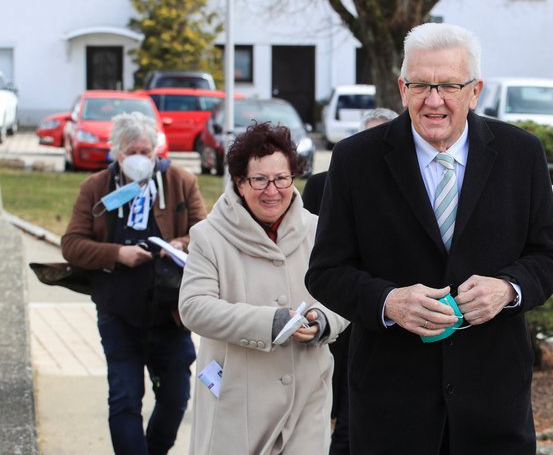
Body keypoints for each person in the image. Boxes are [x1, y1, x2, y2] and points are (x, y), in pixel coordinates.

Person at [305, 22, 553, 454]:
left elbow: (550, 257)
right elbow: (326, 272)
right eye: (420, 85)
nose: (433, 100)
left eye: (448, 85)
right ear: (401, 87)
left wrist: (508, 289)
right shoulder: (356, 161)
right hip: (391, 407)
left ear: (475, 90)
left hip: (493, 405)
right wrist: (388, 302)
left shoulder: (522, 154)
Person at [178, 122, 349, 454]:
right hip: (237, 402)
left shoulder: (319, 230)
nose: (272, 190)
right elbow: (194, 307)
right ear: (240, 183)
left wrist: (322, 321)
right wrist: (270, 323)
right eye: (259, 180)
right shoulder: (209, 236)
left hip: (307, 400)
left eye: (281, 178)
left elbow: (343, 296)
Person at [61, 111, 206, 455]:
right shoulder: (96, 187)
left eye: (148, 151)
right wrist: (117, 254)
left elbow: (205, 232)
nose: (142, 159)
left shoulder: (180, 182)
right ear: (117, 153)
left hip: (170, 313)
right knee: (124, 398)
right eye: (133, 152)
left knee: (175, 396)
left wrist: (182, 243)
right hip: (119, 312)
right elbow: (72, 245)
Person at [302, 106, 397, 455]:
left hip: (387, 316)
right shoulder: (323, 184)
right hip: (338, 310)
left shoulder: (408, 190)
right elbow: (316, 253)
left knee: (357, 419)